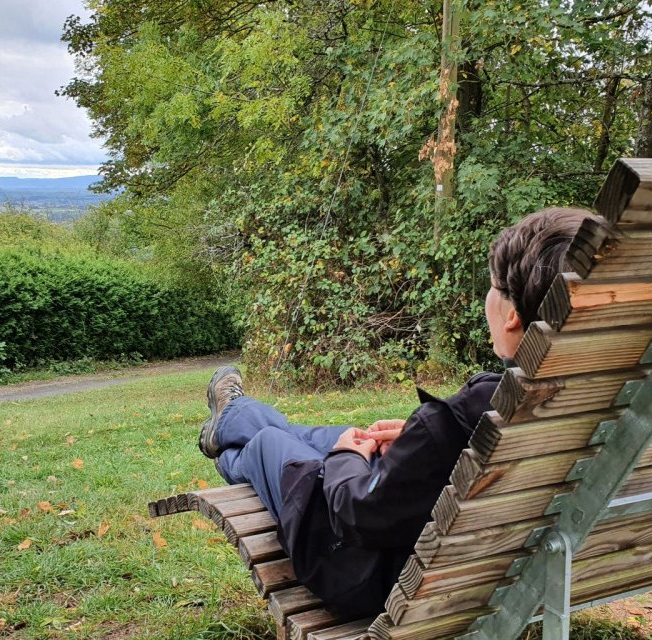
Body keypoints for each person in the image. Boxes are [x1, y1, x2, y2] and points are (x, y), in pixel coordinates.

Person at [196, 207, 608, 616]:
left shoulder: (463, 420)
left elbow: (357, 514)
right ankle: (233, 418)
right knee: (342, 435)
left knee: (272, 442)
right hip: (493, 569)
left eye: (494, 287)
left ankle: (232, 430)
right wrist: (414, 441)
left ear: (513, 314)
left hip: (364, 571)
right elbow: (442, 459)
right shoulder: (598, 397)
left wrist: (348, 457)